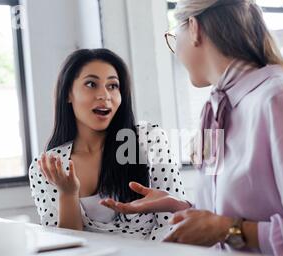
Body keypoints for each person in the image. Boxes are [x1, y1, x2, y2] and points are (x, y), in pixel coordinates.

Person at [100, 0, 283, 256]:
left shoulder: (278, 102)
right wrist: (180, 207)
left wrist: (228, 230)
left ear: (194, 28)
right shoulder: (216, 108)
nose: (174, 50)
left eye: (172, 37)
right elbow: (228, 221)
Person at [29, 49, 185, 241]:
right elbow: (66, 245)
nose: (104, 95)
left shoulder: (148, 139)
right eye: (91, 84)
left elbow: (173, 222)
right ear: (68, 93)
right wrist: (67, 193)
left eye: (113, 86)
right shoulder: (47, 167)